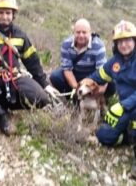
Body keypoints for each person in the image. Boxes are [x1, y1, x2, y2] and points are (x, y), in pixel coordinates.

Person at [0, 0, 59, 136]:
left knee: (41, 98)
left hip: (13, 79)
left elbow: (33, 63)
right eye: (0, 13)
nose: (4, 17)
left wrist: (46, 85)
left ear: (13, 15)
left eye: (8, 13)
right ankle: (1, 117)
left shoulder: (20, 35)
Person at [87, 20, 136, 177]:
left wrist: (122, 106)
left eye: (127, 40)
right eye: (120, 42)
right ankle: (127, 136)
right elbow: (97, 76)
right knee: (104, 136)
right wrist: (82, 86)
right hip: (124, 110)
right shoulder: (114, 62)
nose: (124, 45)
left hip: (128, 106)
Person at [50, 18, 115, 101]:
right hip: (75, 74)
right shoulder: (66, 44)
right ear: (73, 32)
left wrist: (99, 91)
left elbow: (103, 70)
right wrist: (77, 88)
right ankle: (75, 99)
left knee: (112, 83)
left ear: (90, 33)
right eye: (78, 32)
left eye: (84, 32)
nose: (81, 35)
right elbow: (67, 69)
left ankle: (99, 101)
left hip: (93, 76)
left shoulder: (98, 45)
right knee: (55, 77)